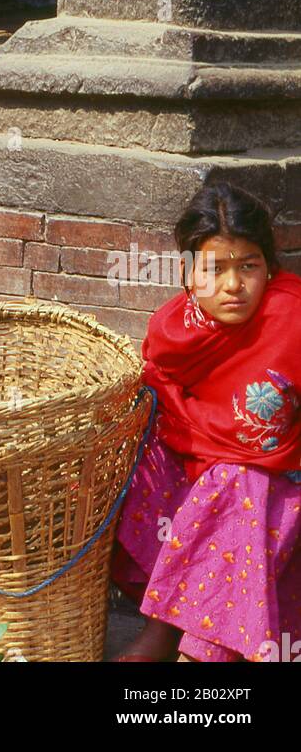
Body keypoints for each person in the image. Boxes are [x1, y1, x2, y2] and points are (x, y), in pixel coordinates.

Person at [112, 183, 301, 663]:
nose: (233, 285)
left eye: (249, 267)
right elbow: (161, 399)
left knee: (235, 484)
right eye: (215, 268)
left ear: (270, 268)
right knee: (130, 450)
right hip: (203, 464)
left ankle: (193, 649)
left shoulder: (291, 316)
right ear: (188, 273)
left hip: (278, 480)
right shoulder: (175, 331)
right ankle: (172, 625)